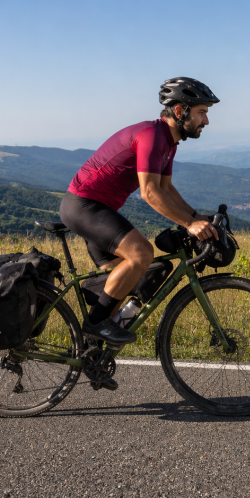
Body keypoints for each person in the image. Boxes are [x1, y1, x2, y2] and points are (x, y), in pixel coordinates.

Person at [59, 77, 220, 352]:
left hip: (98, 209)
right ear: (180, 111)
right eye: (202, 112)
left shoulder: (168, 142)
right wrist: (190, 224)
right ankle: (95, 325)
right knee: (142, 254)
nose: (206, 121)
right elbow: (149, 192)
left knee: (121, 286)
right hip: (84, 206)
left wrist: (196, 216)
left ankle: (91, 354)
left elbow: (166, 188)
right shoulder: (152, 136)